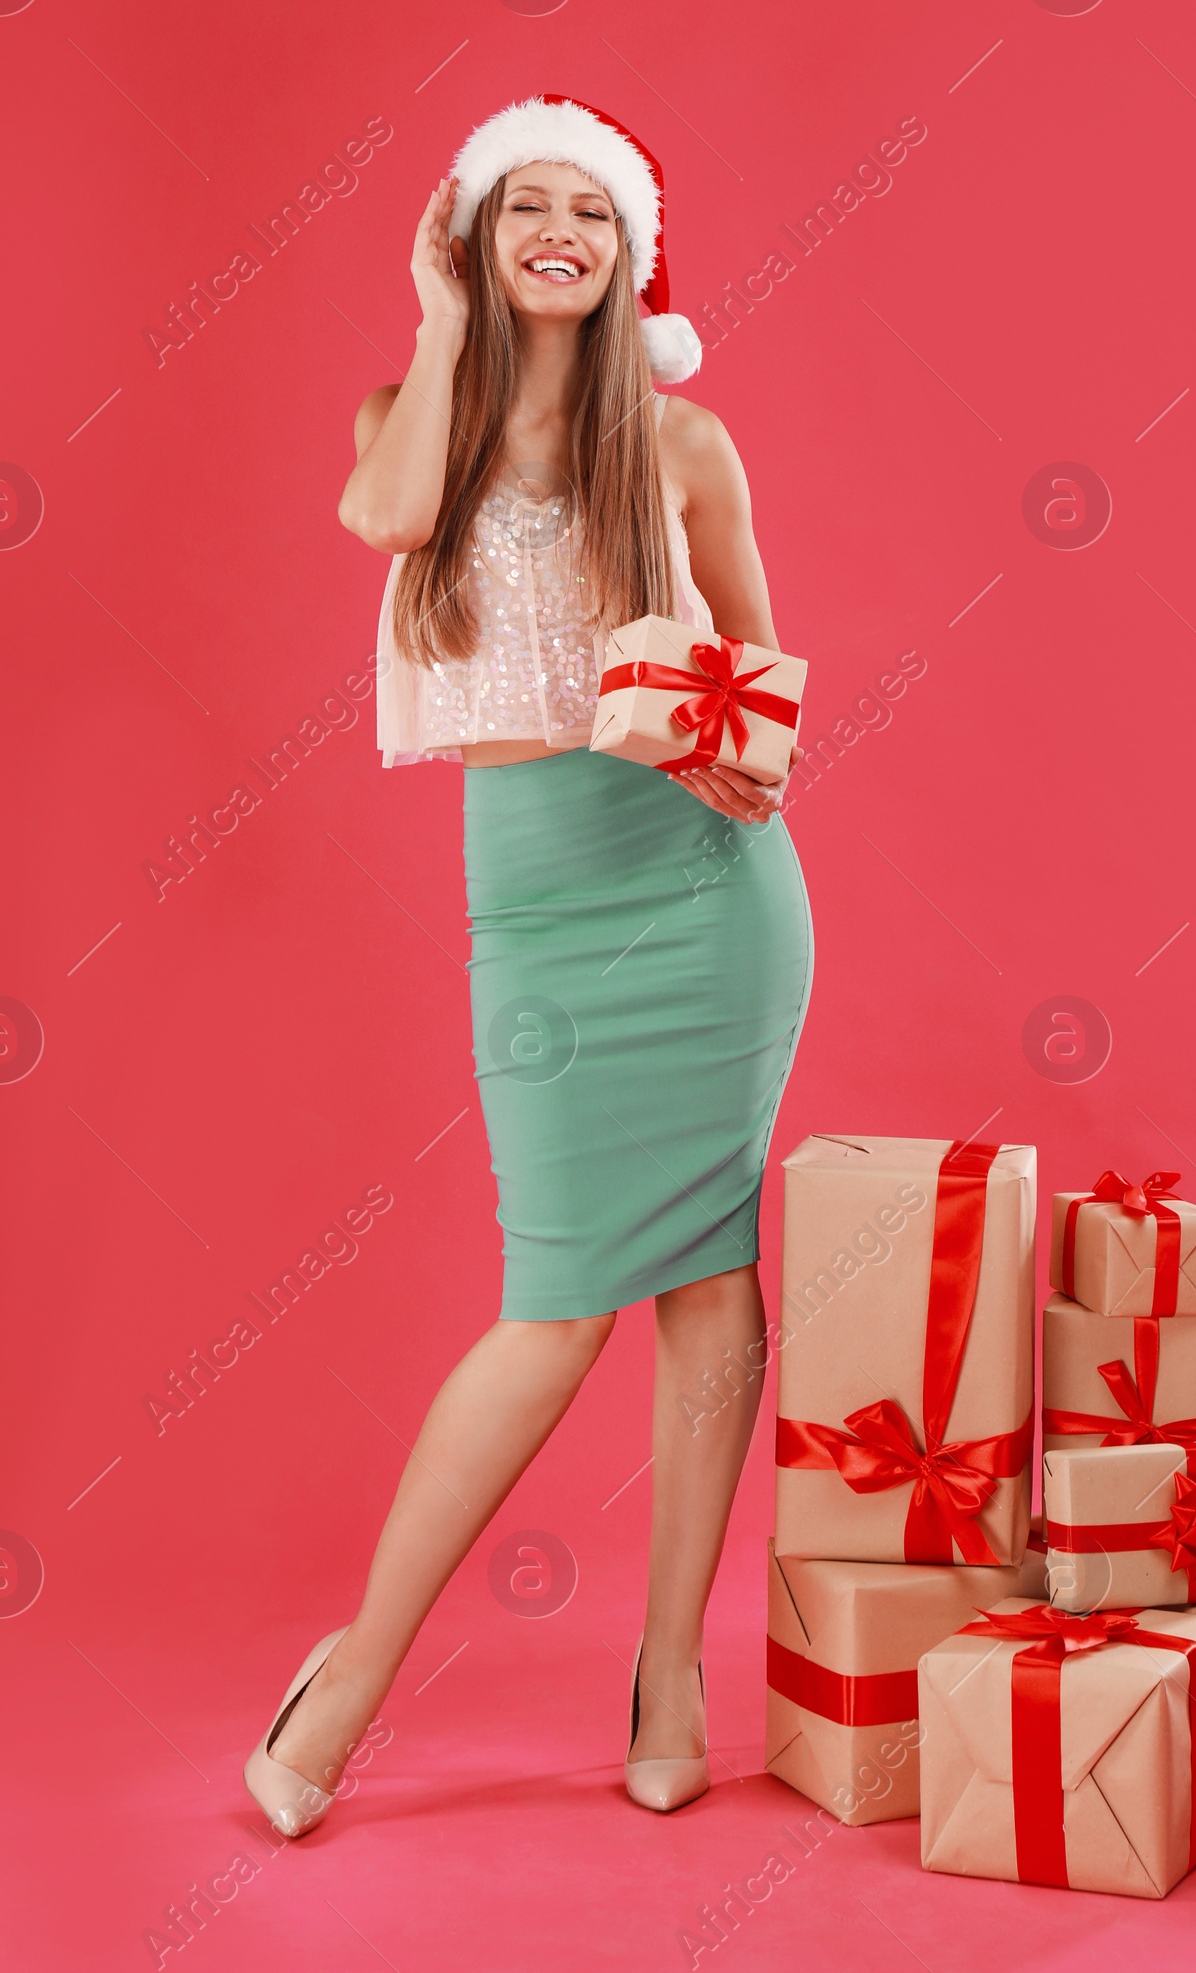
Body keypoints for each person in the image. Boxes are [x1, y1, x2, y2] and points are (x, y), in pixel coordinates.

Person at [244, 96, 813, 1836]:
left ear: (633, 249)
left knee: (713, 1274)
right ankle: (350, 1677)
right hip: (542, 904)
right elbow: (382, 520)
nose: (560, 232)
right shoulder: (411, 416)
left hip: (713, 893)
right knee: (554, 1308)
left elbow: (766, 665)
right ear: (477, 240)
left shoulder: (690, 443)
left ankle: (671, 1671)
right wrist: (433, 321)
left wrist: (740, 747)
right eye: (523, 210)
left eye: (593, 211)